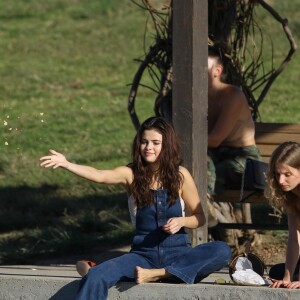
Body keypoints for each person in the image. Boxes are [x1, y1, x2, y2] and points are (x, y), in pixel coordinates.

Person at [40, 116, 231, 300]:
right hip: (142, 257)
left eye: (156, 142)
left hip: (178, 254)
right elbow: (100, 175)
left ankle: (158, 274)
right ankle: (155, 273)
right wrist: (66, 164)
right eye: (144, 142)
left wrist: (182, 221)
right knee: (97, 276)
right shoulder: (130, 174)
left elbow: (200, 217)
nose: (149, 147)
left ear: (167, 145)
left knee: (221, 250)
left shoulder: (180, 175)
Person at [206, 47, 262, 244]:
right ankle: (205, 208)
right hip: (215, 157)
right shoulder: (198, 97)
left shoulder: (232, 95)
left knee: (210, 169)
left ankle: (207, 211)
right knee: (199, 164)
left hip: (244, 159)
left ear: (217, 70)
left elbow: (214, 139)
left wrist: (182, 138)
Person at [264, 141, 300, 289]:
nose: (280, 181)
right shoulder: (292, 196)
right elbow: (294, 237)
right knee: (278, 272)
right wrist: (287, 278)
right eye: (277, 174)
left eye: (287, 174)